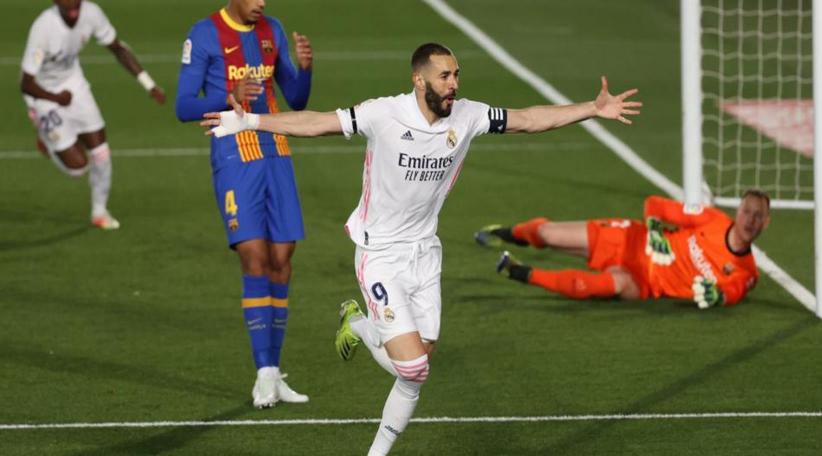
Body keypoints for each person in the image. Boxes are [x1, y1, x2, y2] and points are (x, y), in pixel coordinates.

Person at [199, 42, 641, 454]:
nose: (454, 84)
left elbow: (528, 118)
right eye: (446, 76)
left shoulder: (467, 115)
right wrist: (251, 121)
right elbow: (316, 123)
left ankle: (359, 328)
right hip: (380, 254)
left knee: (417, 369)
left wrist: (592, 109)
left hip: (425, 253)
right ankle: (363, 341)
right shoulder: (384, 114)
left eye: (457, 75)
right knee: (412, 369)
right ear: (419, 80)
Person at [175, 0, 313, 409]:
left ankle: (274, 371)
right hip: (234, 155)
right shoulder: (204, 33)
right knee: (254, 256)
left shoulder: (273, 30)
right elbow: (184, 105)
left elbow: (297, 99)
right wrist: (225, 95)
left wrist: (305, 69)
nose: (262, 4)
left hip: (276, 148)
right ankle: (263, 371)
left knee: (282, 257)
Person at [476, 190, 770, 308]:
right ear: (738, 210)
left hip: (645, 283)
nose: (750, 220)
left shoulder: (747, 272)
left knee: (601, 284)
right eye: (747, 212)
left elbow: (735, 290)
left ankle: (518, 271)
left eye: (758, 216)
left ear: (765, 224)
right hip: (631, 239)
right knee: (546, 233)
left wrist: (718, 295)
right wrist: (655, 230)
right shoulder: (712, 219)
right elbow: (654, 204)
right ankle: (509, 234)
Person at [20, 0, 166, 230]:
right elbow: (26, 84)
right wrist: (57, 99)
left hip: (73, 85)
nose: (73, 7)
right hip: (42, 96)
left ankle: (99, 212)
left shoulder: (92, 13)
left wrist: (149, 84)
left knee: (101, 153)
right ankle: (48, 139)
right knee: (78, 167)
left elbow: (117, 48)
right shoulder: (43, 28)